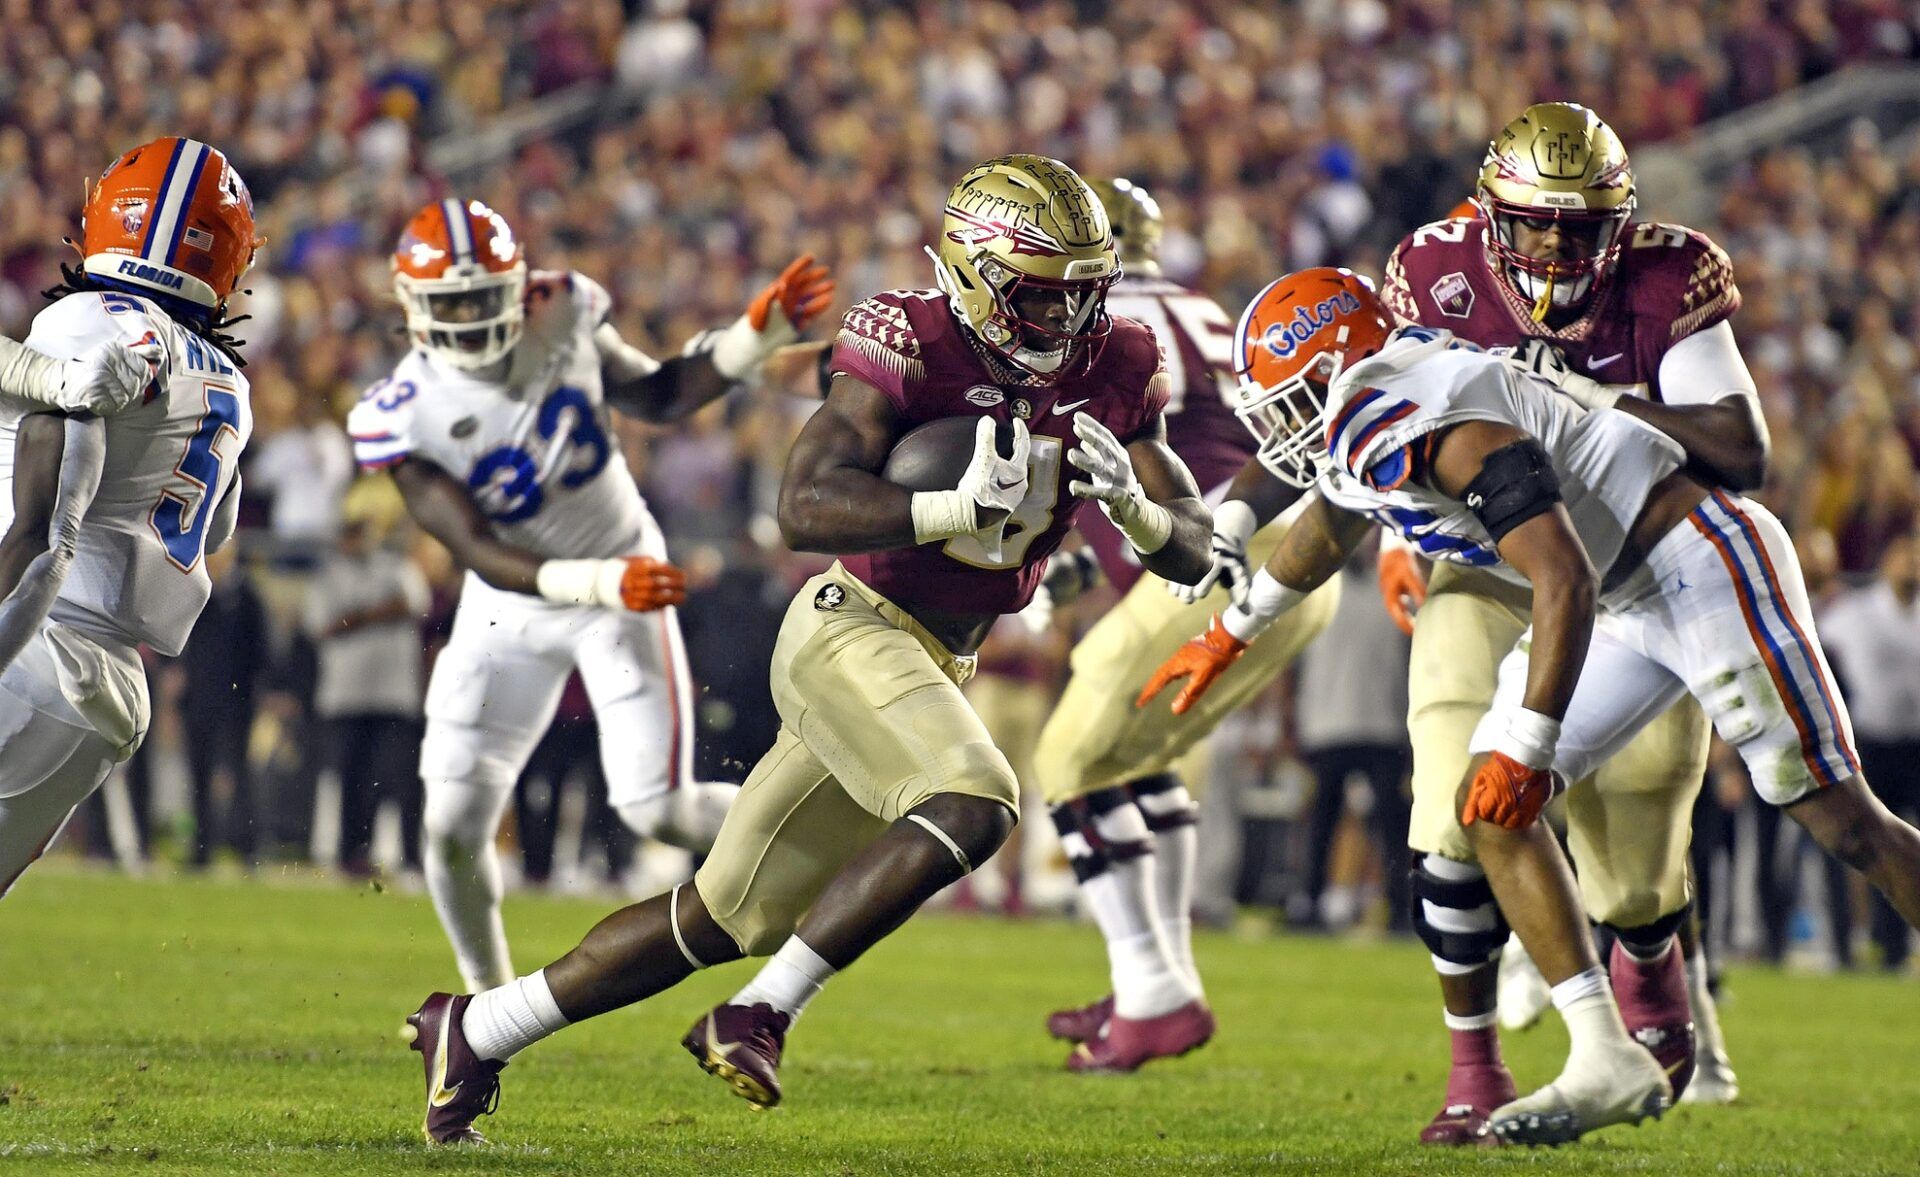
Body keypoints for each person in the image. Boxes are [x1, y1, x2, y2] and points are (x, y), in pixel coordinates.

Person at [399, 153, 1211, 1143]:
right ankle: (761, 1013)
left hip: (942, 655)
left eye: (1084, 296)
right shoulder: (910, 337)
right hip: (852, 624)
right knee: (976, 800)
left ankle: (477, 1029)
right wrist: (946, 507)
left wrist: (1138, 512)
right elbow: (802, 504)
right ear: (973, 273)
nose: (1068, 323)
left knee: (720, 917)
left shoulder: (1118, 363)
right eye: (1041, 299)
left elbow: (1196, 547)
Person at [1143, 267, 1920, 1146]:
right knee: (1485, 806)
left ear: (1335, 368)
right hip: (1625, 592)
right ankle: (1605, 1055)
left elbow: (1561, 573)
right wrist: (1236, 628)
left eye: (1289, 403)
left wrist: (1534, 739)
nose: (1281, 432)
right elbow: (1335, 513)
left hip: (1699, 564)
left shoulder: (1405, 412)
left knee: (1845, 822)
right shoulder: (1391, 389)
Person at [1373, 103, 1754, 1132]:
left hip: (1628, 570)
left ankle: (1651, 955)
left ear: (1619, 221)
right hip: (1485, 568)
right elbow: (1396, 419)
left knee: (1635, 847)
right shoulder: (1434, 269)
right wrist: (1388, 540)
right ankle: (1476, 1065)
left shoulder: (1671, 274)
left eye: (1579, 225)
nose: (1553, 244)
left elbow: (1738, 447)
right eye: (1534, 223)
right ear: (1492, 212)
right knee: (1453, 809)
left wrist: (1585, 405)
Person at [348, 198, 834, 993]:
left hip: (621, 577)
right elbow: (474, 546)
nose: (471, 319)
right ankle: (484, 1003)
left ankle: (838, 839)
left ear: (518, 287)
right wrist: (600, 580)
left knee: (661, 809)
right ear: (413, 306)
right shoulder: (401, 412)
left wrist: (756, 334)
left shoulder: (562, 311)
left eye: (482, 297)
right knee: (450, 830)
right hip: (521, 602)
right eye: (453, 303)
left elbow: (662, 396)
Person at [1029, 177, 1338, 1071]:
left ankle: (1152, 989)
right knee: (1141, 759)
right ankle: (1153, 981)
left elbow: (1103, 458)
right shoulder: (1200, 309)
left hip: (1217, 557)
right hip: (1301, 552)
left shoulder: (1090, 327)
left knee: (1069, 761)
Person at [0, 137, 260, 895]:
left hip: (35, 642)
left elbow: (47, 534)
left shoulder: (91, 319)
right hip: (111, 695)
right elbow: (215, 527)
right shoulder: (231, 386)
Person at [303, 492, 431, 876]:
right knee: (351, 779)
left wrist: (354, 618)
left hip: (393, 694)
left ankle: (406, 856)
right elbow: (321, 627)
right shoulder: (328, 574)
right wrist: (377, 612)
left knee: (395, 777)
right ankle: (351, 855)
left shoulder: (397, 568)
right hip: (345, 696)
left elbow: (415, 605)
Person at [1817, 529, 1920, 970]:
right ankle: (1848, 944)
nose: (1913, 562)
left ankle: (1898, 948)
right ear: (1883, 563)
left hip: (1916, 745)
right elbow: (1811, 634)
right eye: (1904, 553)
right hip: (1868, 744)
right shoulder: (1855, 611)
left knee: (1904, 842)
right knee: (1866, 840)